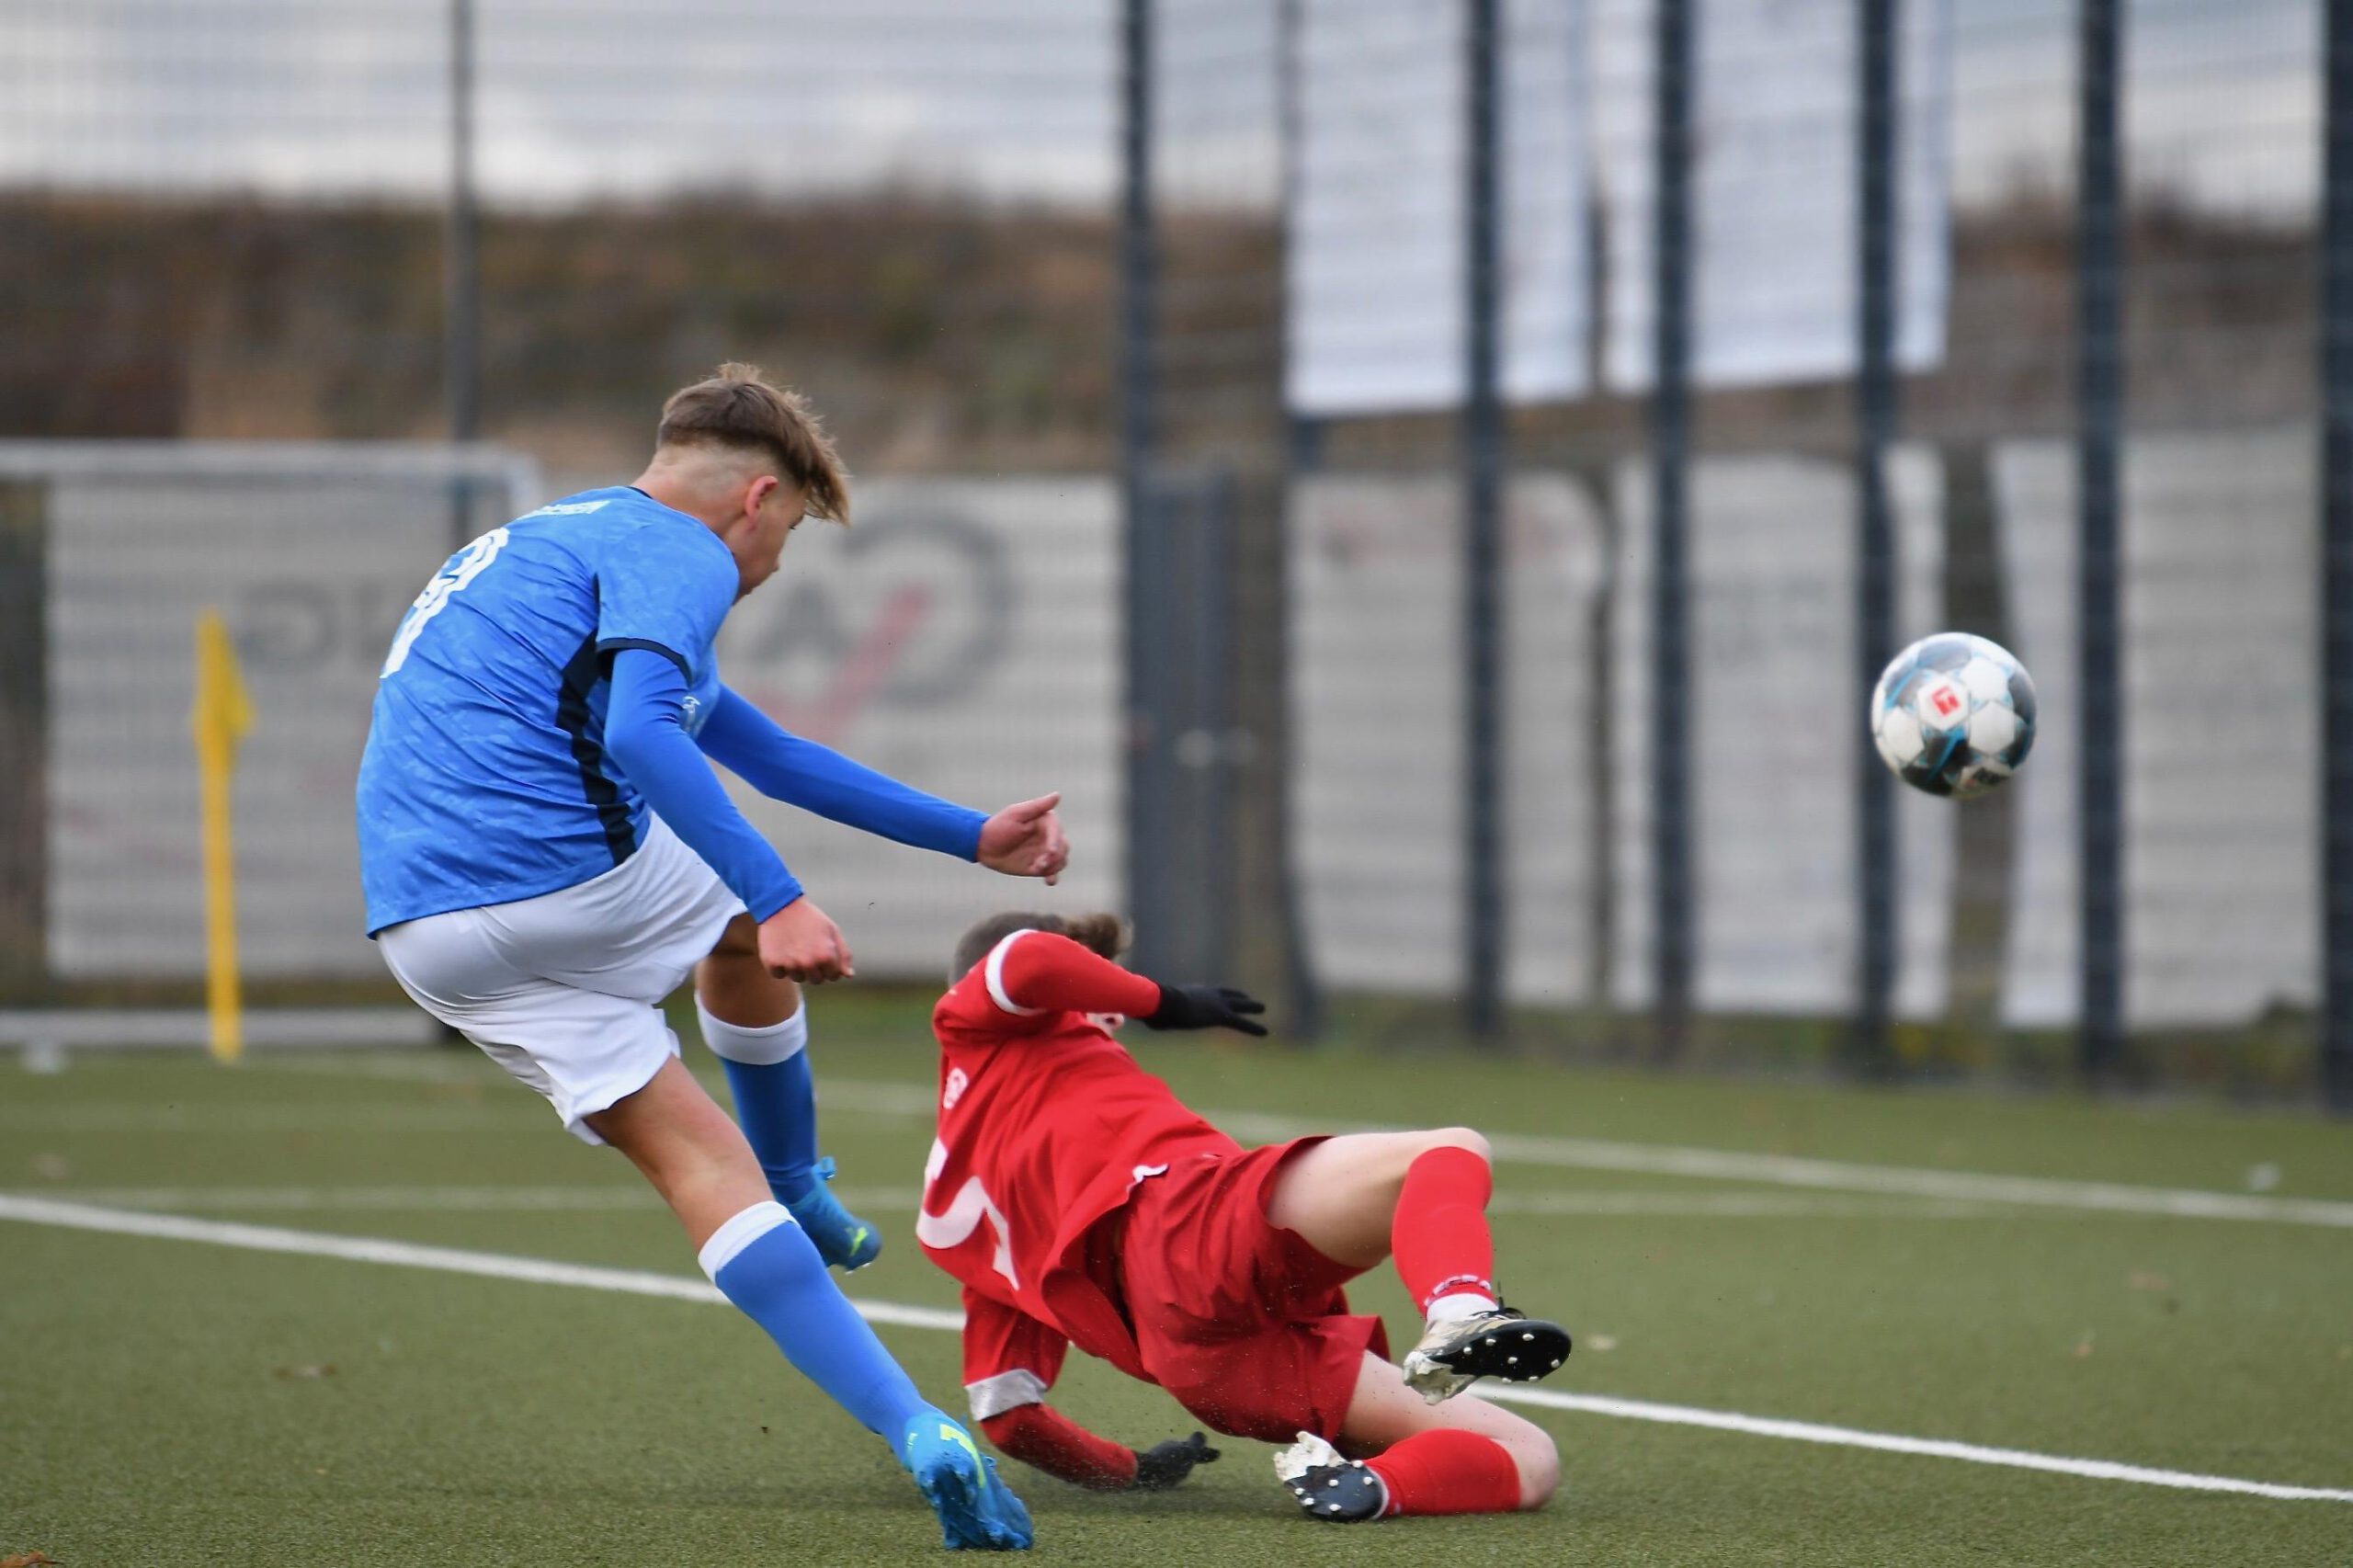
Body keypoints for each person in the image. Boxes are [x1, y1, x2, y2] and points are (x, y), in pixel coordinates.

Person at [356, 364, 1054, 1551]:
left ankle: (915, 1423)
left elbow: (768, 754)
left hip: (423, 931)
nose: (775, 563)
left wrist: (972, 836)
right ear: (758, 497)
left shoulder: (559, 539)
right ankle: (798, 1182)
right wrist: (774, 896)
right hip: (552, 875)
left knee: (694, 1167)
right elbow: (636, 733)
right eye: (788, 533)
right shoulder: (677, 553)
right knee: (735, 930)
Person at [915, 911, 1571, 1526]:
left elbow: (1007, 1416)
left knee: (1529, 1455)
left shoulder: (952, 1208)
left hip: (1208, 1363)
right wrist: (1164, 1000)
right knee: (1450, 1150)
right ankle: (1460, 1309)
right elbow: (1028, 959)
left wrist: (1134, 1469)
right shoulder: (981, 1028)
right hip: (1189, 1233)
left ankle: (1375, 1488)